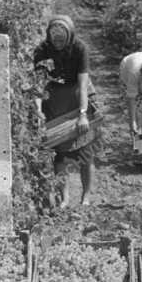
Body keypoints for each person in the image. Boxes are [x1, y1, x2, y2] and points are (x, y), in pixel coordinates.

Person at [33, 15, 98, 207]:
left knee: (85, 149)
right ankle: (65, 197)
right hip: (54, 101)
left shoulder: (79, 48)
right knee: (59, 153)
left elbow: (83, 83)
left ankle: (85, 196)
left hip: (78, 96)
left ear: (69, 36)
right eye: (55, 40)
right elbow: (38, 83)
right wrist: (38, 110)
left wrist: (83, 114)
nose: (58, 43)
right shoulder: (42, 50)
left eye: (62, 40)